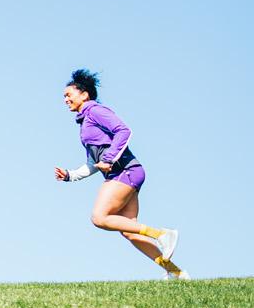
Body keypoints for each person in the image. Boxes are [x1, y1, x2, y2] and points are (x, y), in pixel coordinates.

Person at [54, 68, 189, 279]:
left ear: (84, 94)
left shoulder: (95, 111)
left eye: (68, 95)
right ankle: (176, 273)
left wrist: (109, 159)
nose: (65, 100)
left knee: (99, 217)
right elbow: (93, 163)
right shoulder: (84, 123)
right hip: (125, 174)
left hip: (125, 171)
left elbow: (124, 130)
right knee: (129, 231)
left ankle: (162, 234)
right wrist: (71, 175)